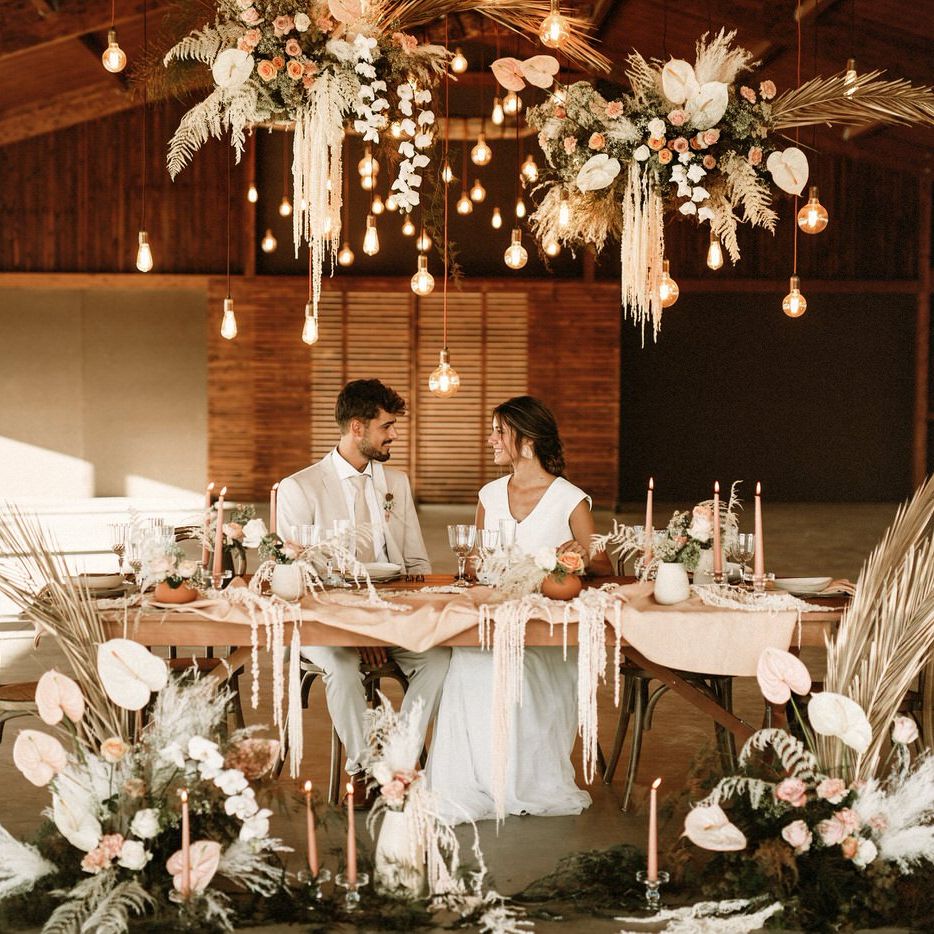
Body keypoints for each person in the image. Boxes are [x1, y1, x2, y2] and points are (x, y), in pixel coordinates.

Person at [427, 396, 613, 822]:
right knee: (470, 661)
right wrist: (474, 565)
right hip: (492, 619)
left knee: (519, 669)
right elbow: (477, 560)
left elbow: (602, 562)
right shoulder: (489, 495)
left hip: (546, 627)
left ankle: (521, 781)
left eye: (498, 431)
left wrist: (579, 557)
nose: (490, 439)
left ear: (526, 439)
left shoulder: (569, 498)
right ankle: (476, 783)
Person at [277, 378, 450, 795]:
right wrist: (357, 631)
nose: (393, 435)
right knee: (340, 666)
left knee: (441, 659)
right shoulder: (299, 488)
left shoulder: (397, 484)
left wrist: (386, 624)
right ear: (357, 427)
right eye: (386, 426)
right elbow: (298, 581)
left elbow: (416, 565)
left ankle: (399, 758)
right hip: (324, 624)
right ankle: (369, 769)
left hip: (390, 618)